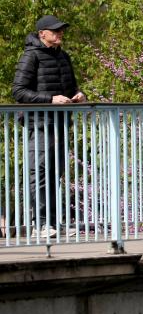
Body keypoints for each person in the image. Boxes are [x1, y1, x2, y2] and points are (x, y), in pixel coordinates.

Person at [12, 15, 86, 238]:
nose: (60, 33)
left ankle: (53, 223)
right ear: (42, 34)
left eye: (61, 30)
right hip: (40, 123)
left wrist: (78, 95)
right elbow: (18, 92)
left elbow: (71, 88)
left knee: (56, 173)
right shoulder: (31, 56)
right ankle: (41, 224)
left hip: (60, 122)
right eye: (55, 30)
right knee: (40, 172)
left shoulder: (63, 56)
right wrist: (51, 99)